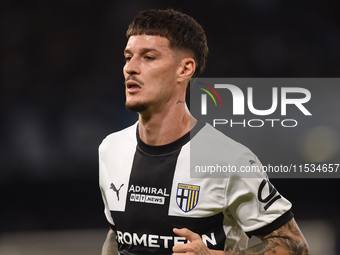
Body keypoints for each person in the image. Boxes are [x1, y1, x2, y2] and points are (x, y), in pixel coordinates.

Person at [99, 9, 309, 255]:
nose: (130, 68)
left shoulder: (229, 159)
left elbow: (294, 245)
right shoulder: (110, 149)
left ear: (185, 69)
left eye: (148, 57)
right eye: (128, 57)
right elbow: (117, 233)